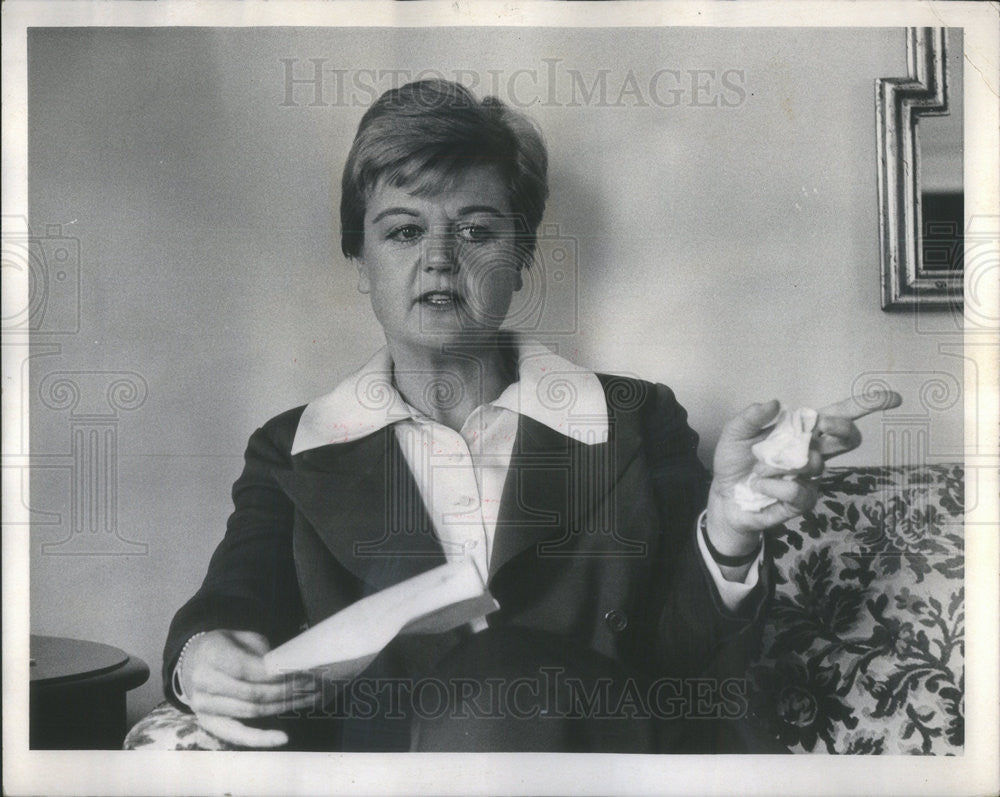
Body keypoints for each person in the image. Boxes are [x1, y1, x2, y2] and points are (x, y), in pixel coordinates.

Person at [160, 79, 899, 753]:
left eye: (476, 231)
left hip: (600, 766)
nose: (442, 260)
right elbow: (230, 600)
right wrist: (202, 658)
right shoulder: (291, 447)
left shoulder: (634, 419)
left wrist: (732, 529)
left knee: (508, 673)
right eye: (404, 231)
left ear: (520, 257)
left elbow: (687, 662)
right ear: (360, 259)